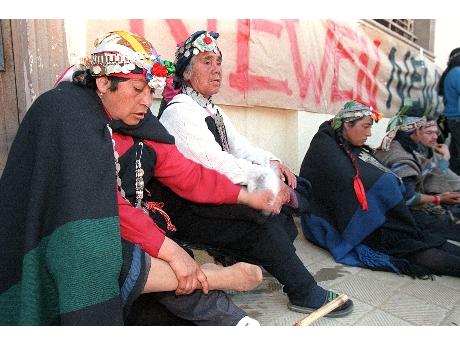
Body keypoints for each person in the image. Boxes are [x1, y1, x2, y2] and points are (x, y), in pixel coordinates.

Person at [0, 30, 282, 326]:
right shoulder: (70, 115)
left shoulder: (136, 121)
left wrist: (245, 195)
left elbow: (186, 174)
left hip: (116, 222)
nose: (147, 101)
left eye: (150, 90)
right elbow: (98, 208)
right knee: (105, 253)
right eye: (137, 90)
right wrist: (170, 252)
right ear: (103, 82)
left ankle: (227, 311)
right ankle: (215, 278)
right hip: (50, 238)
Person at [158, 30, 353, 317]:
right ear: (186, 72)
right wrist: (267, 182)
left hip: (214, 194)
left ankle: (251, 256)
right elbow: (216, 163)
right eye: (207, 62)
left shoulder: (211, 110)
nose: (216, 70)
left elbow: (243, 148)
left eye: (219, 63)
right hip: (187, 207)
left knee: (287, 204)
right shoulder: (179, 112)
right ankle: (303, 291)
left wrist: (273, 164)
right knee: (260, 217)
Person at [299, 100, 460, 278]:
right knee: (411, 246)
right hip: (352, 224)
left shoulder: (346, 143)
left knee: (424, 238)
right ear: (347, 124)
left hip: (382, 214)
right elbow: (344, 187)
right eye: (366, 127)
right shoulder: (325, 149)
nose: (369, 134)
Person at [375, 105, 460, 241]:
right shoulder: (402, 156)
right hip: (402, 217)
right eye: (428, 132)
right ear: (416, 131)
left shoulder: (406, 147)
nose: (435, 137)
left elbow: (435, 174)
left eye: (436, 132)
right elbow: (409, 198)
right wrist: (439, 198)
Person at [438, 47, 460, 174]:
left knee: (454, 152)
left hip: (452, 118)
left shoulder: (451, 72)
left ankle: (448, 177)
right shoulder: (457, 72)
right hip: (457, 118)